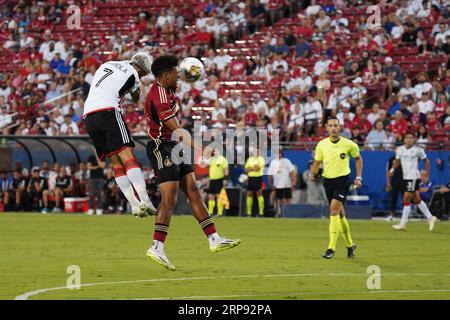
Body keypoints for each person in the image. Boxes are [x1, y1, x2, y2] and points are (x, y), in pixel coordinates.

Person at [144, 55, 241, 271]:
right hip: (161, 146)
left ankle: (214, 238)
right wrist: (202, 148)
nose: (179, 75)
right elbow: (177, 128)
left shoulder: (168, 89)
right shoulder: (159, 96)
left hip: (174, 146)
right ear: (166, 75)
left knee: (194, 191)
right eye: (176, 72)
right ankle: (156, 246)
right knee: (169, 198)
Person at [82, 52, 156, 217]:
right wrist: (137, 88)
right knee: (128, 157)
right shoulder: (134, 74)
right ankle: (145, 200)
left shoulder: (107, 64)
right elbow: (136, 96)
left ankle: (134, 205)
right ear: (142, 69)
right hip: (108, 111)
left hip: (88, 116)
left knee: (116, 163)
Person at [310, 116, 362, 259]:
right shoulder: (322, 145)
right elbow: (317, 161)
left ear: (340, 127)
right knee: (340, 215)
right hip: (328, 181)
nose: (333, 128)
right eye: (331, 125)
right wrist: (313, 174)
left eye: (335, 125)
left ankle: (331, 248)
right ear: (326, 128)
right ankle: (350, 245)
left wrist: (358, 177)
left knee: (333, 211)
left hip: (343, 181)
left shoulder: (349, 144)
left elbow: (358, 159)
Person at [391, 132, 438, 231]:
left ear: (414, 139)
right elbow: (397, 161)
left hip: (413, 177)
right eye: (407, 137)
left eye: (411, 137)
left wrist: (427, 175)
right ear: (404, 140)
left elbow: (427, 161)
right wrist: (392, 170)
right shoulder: (400, 150)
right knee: (416, 200)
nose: (409, 139)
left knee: (406, 199)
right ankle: (430, 217)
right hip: (406, 177)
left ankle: (403, 223)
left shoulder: (418, 150)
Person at [267, 147, 297, 217]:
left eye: (280, 152)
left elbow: (292, 172)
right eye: (277, 152)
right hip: (277, 185)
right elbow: (270, 174)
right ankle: (281, 213)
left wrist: (293, 182)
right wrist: (271, 184)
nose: (279, 154)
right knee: (280, 200)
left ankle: (289, 213)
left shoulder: (287, 161)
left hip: (287, 184)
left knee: (288, 199)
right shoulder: (273, 162)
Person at [206, 147, 229, 217]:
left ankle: (220, 213)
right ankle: (210, 213)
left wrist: (225, 179)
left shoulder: (223, 159)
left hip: (219, 180)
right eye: (213, 151)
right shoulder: (211, 159)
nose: (214, 152)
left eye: (215, 151)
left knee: (219, 196)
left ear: (219, 152)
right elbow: (206, 165)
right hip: (212, 180)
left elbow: (226, 169)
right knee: (210, 196)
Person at [245, 146, 266, 217]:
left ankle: (261, 213)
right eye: (255, 151)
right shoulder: (249, 159)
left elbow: (258, 168)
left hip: (258, 178)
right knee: (249, 194)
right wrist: (253, 168)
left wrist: (250, 168)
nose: (256, 152)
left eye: (257, 151)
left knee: (259, 194)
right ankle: (249, 213)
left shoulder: (261, 159)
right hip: (250, 178)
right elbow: (246, 169)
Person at [385, 155, 403, 221]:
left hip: (404, 181)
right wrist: (388, 183)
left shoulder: (405, 158)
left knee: (405, 198)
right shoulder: (391, 159)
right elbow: (388, 173)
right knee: (393, 199)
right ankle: (392, 215)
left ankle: (405, 216)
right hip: (394, 181)